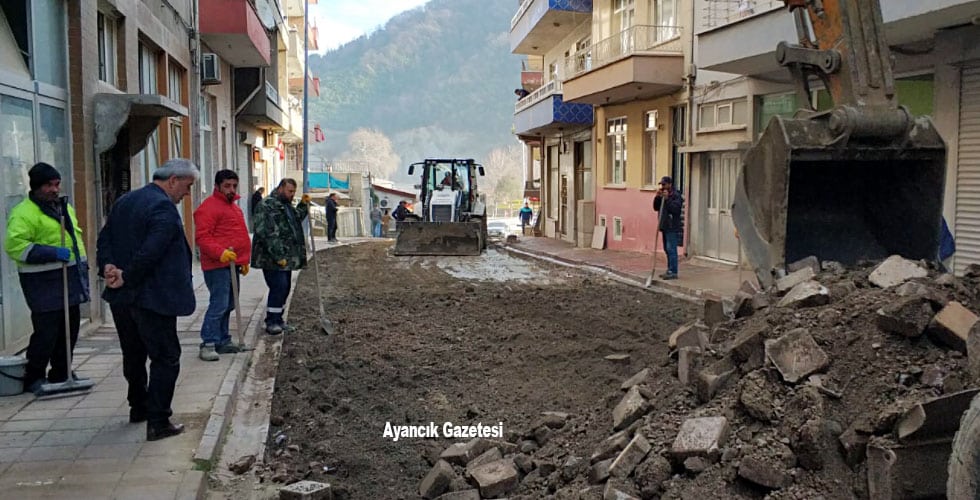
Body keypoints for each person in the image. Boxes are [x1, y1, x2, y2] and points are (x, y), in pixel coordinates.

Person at [96, 158, 198, 441]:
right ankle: (159, 420)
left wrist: (108, 267)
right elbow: (153, 250)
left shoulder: (126, 202)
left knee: (134, 354)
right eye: (187, 186)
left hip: (122, 298)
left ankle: (138, 406)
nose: (187, 194)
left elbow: (105, 238)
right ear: (173, 180)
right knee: (166, 357)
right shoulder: (162, 207)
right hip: (152, 297)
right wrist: (125, 274)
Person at [4, 162, 91, 395]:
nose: (54, 189)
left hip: (68, 279)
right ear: (36, 187)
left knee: (69, 329)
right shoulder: (24, 213)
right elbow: (16, 246)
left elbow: (74, 239)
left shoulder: (63, 207)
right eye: (49, 185)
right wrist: (51, 253)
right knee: (46, 333)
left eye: (57, 184)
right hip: (43, 283)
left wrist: (82, 266)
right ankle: (34, 376)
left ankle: (62, 372)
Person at [193, 169, 251, 362]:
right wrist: (221, 253)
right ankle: (208, 342)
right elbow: (203, 237)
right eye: (227, 186)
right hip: (216, 265)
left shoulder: (234, 207)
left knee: (229, 304)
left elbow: (237, 235)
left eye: (234, 186)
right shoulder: (208, 208)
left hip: (232, 263)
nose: (231, 189)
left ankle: (222, 340)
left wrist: (242, 261)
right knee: (219, 304)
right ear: (217, 186)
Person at [251, 178, 310, 335]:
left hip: (285, 257)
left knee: (285, 288)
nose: (292, 195)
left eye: (294, 192)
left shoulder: (285, 205)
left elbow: (294, 219)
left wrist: (303, 205)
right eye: (290, 191)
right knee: (279, 287)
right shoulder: (267, 205)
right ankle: (271, 321)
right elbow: (267, 233)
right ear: (280, 188)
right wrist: (277, 255)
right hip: (270, 257)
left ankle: (279, 319)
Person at [653, 176, 684, 280]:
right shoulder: (662, 194)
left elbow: (675, 210)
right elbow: (656, 207)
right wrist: (657, 197)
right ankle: (669, 269)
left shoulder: (676, 195)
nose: (662, 187)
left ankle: (673, 271)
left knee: (671, 249)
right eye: (661, 185)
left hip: (672, 226)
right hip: (664, 225)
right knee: (667, 249)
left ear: (670, 184)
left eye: (664, 184)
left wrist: (667, 200)